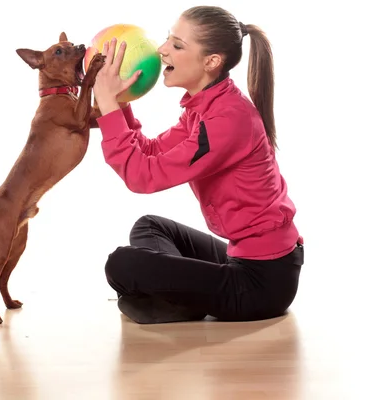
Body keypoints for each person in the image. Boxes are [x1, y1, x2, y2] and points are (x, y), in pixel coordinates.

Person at [91, 5, 304, 324]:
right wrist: (120, 104)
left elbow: (142, 177)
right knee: (150, 226)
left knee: (121, 264)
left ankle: (180, 298)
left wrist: (106, 105)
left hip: (263, 283)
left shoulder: (227, 120)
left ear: (212, 61)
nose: (162, 50)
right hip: (240, 258)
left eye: (177, 45)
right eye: (167, 39)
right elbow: (149, 153)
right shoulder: (204, 110)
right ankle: (181, 295)